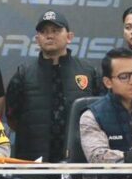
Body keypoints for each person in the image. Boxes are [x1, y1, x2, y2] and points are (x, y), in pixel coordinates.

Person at [5, 10, 102, 162]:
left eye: (55, 30)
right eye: (44, 32)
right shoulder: (23, 74)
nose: (49, 36)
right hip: (33, 160)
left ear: (69, 37)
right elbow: (12, 116)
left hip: (78, 159)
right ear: (37, 39)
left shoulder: (89, 72)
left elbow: (100, 114)